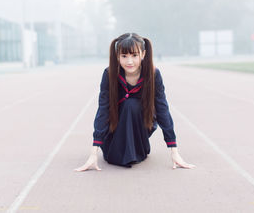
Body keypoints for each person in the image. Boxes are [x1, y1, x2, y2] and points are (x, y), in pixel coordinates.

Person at [75, 33, 195, 171]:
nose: (129, 61)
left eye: (134, 55)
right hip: (114, 130)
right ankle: (119, 149)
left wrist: (174, 151)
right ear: (117, 56)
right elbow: (103, 109)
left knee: (132, 104)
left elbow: (162, 109)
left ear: (143, 54)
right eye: (124, 56)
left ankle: (137, 147)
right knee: (127, 105)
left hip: (140, 128)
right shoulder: (109, 74)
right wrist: (93, 153)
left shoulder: (153, 74)